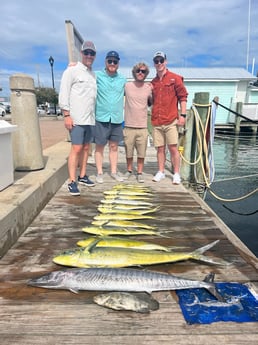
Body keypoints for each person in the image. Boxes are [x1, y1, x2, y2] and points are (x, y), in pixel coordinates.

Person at [59, 41, 97, 195]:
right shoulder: (72, 70)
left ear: (94, 56)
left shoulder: (93, 74)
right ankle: (72, 180)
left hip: (89, 118)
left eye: (92, 53)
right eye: (86, 52)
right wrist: (66, 115)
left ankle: (82, 176)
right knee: (76, 148)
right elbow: (63, 93)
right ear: (81, 54)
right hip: (76, 118)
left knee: (87, 148)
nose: (89, 55)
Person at [151, 51, 188, 185]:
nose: (159, 63)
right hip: (156, 121)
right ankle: (161, 171)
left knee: (173, 148)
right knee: (160, 148)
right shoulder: (153, 82)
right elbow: (150, 100)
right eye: (156, 61)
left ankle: (176, 173)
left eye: (161, 60)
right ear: (154, 64)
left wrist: (183, 115)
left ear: (166, 61)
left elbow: (183, 97)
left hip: (171, 120)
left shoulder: (175, 78)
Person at [94, 51, 126, 183]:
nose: (112, 64)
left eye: (115, 61)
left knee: (114, 146)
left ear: (118, 64)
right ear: (106, 62)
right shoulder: (97, 76)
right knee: (99, 146)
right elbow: (83, 76)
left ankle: (113, 171)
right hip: (101, 117)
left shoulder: (123, 79)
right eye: (110, 61)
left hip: (117, 118)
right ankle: (99, 172)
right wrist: (73, 65)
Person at [123, 62, 152, 183]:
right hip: (129, 125)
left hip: (142, 126)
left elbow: (151, 103)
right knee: (128, 151)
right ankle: (129, 170)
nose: (141, 73)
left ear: (146, 74)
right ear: (134, 72)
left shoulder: (149, 88)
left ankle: (139, 172)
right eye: (138, 71)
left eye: (143, 71)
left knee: (141, 152)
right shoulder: (127, 86)